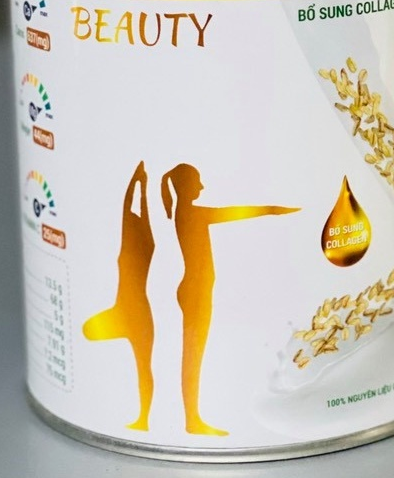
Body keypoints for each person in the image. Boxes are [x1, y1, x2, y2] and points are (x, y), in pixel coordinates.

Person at [161, 162, 299, 436]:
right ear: (185, 186)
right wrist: (270, 210)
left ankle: (192, 417)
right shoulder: (190, 213)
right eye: (197, 181)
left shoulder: (186, 211)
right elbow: (231, 213)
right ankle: (191, 420)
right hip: (195, 292)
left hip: (196, 289)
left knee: (194, 354)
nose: (202, 186)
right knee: (193, 355)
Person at [82, 161, 155, 431]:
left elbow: (134, 212)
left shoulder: (143, 242)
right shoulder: (136, 240)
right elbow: (129, 211)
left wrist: (139, 184)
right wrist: (138, 182)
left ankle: (144, 418)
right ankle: (140, 416)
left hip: (136, 313)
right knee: (142, 366)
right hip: (125, 311)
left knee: (144, 366)